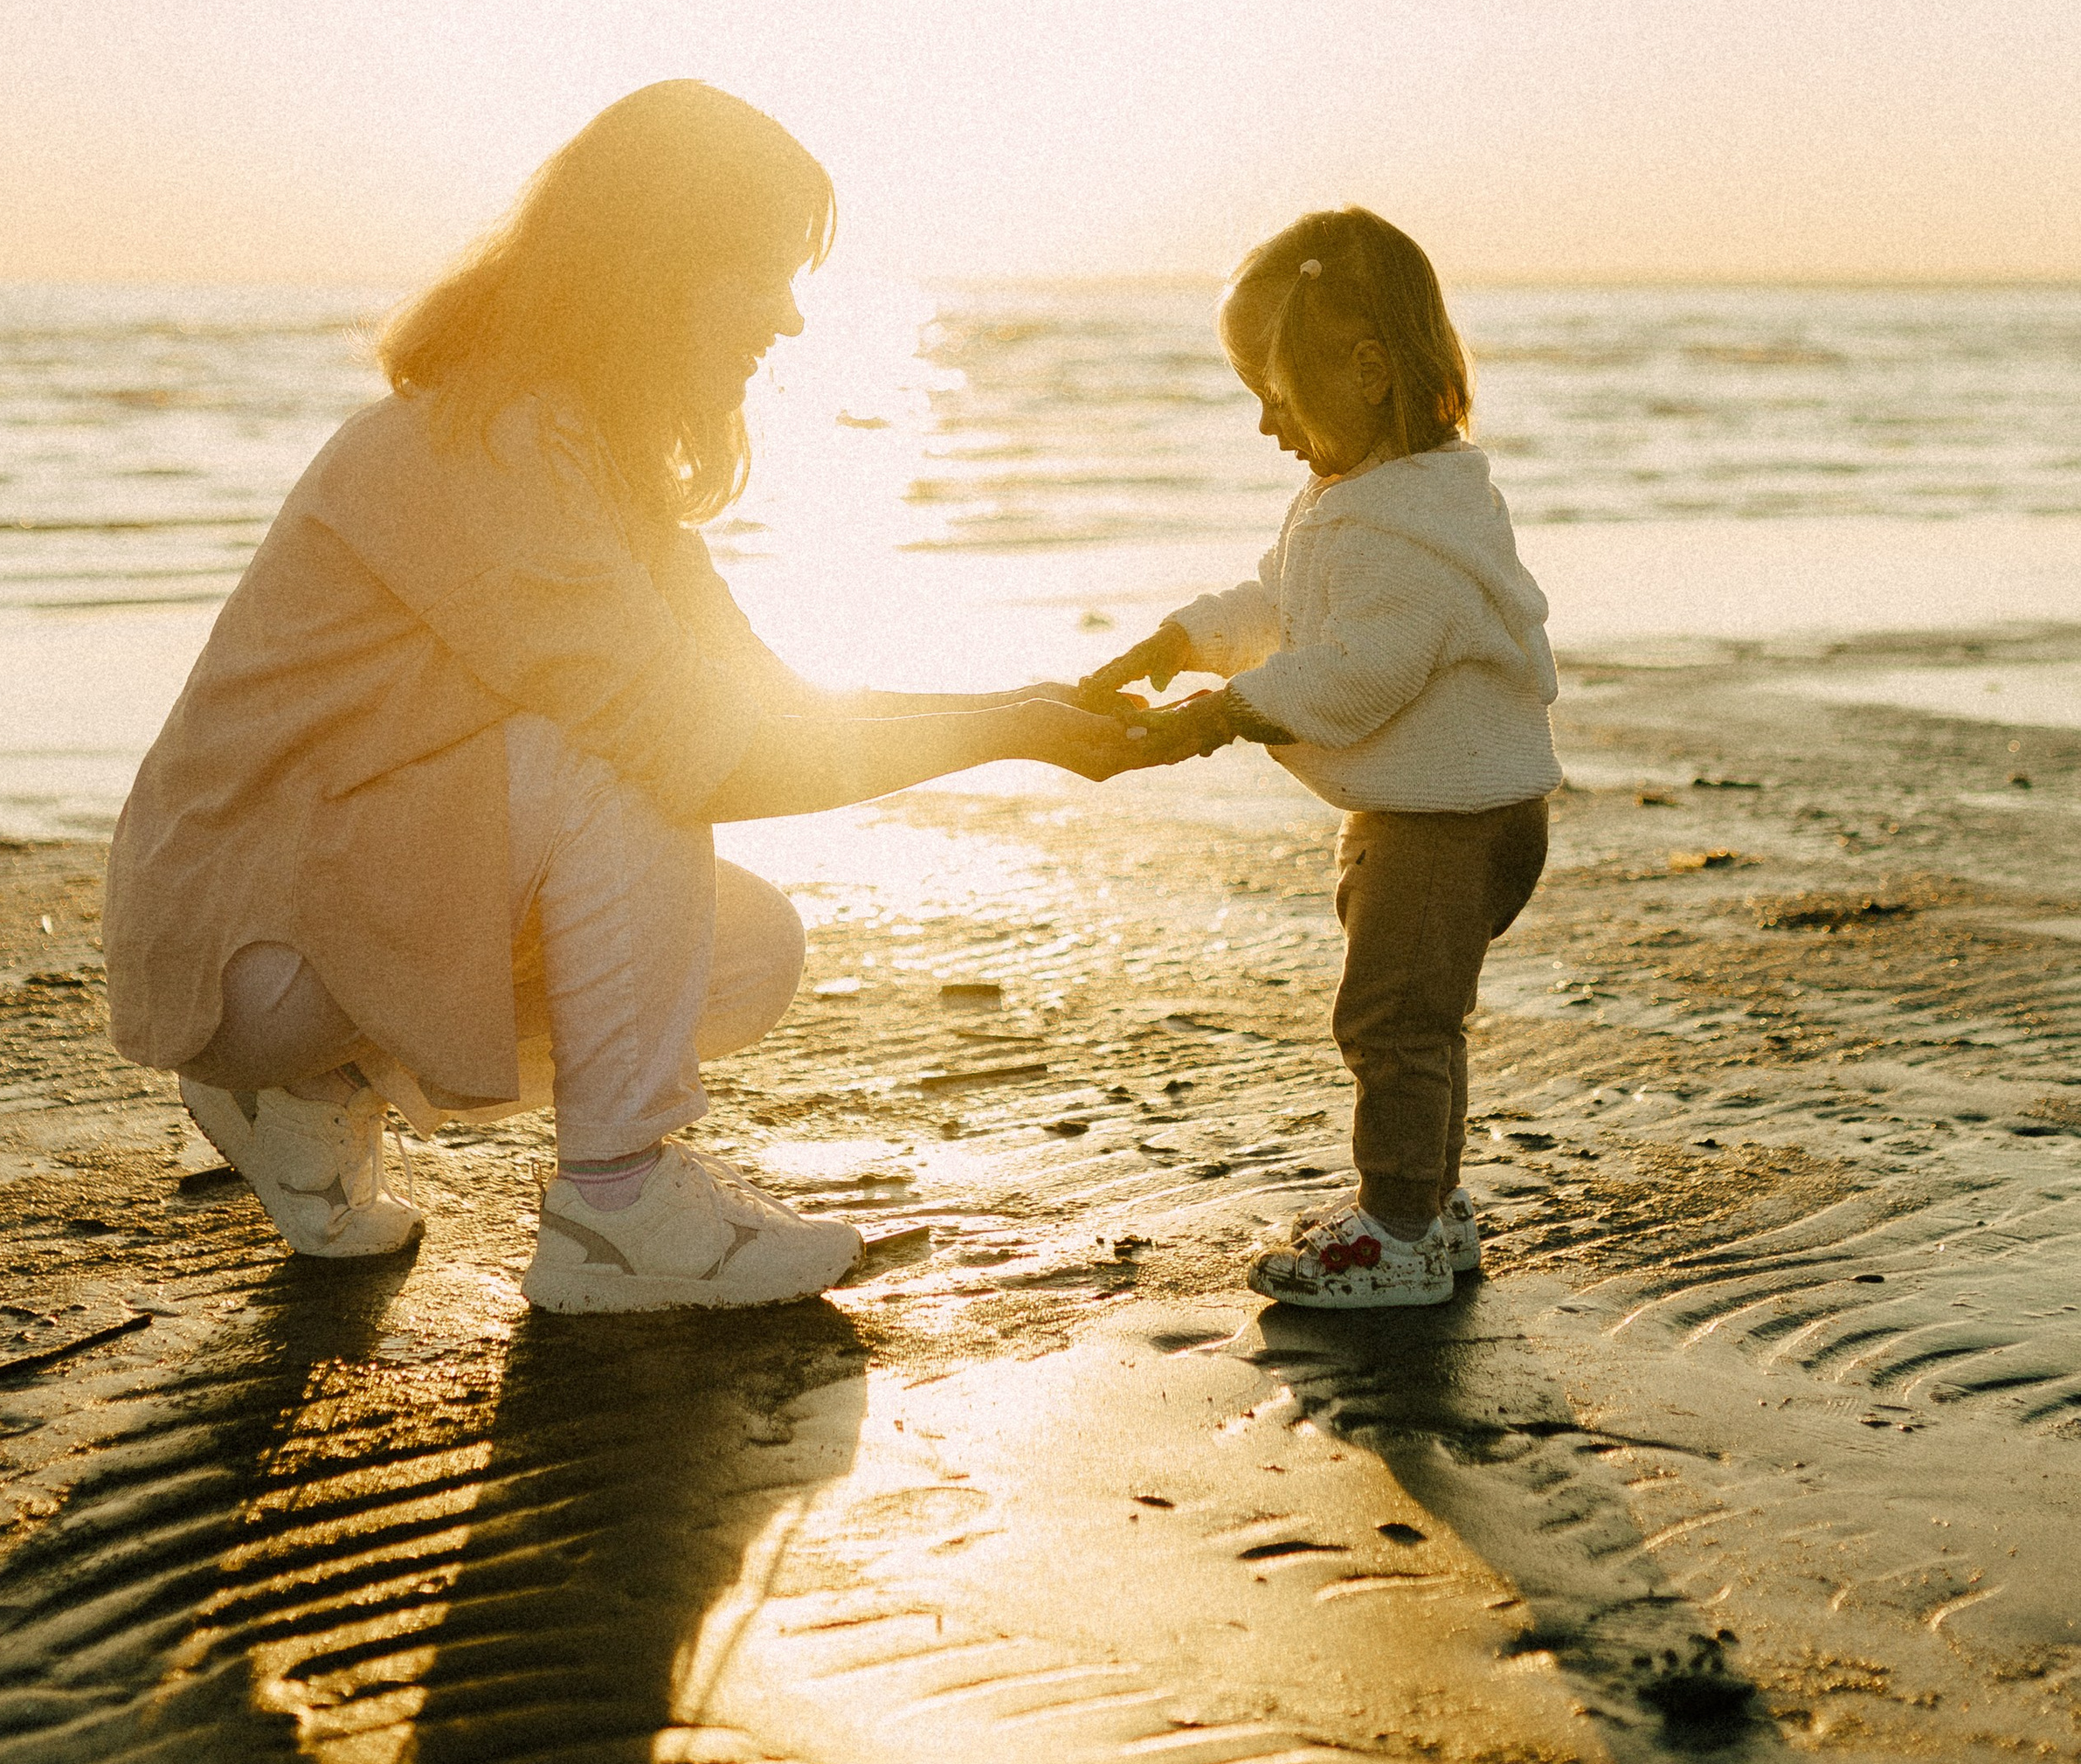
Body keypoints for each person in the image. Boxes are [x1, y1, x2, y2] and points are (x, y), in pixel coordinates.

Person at [103, 82, 1180, 1314]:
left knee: (746, 950)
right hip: (242, 937)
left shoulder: (596, 460)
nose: (785, 317)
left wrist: (1021, 719)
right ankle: (616, 1212)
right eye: (763, 271)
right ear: (655, 269)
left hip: (335, 910)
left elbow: (770, 703)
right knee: (621, 759)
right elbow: (695, 755)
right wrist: (1005, 734)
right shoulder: (492, 442)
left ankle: (301, 1096)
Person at [1080, 205, 1559, 1311]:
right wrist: (1186, 639)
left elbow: (1359, 670)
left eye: (1276, 396)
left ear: (1369, 370)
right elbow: (1285, 602)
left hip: (1445, 824)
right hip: (1437, 809)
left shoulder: (1407, 530)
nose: (1265, 426)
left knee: (1392, 1020)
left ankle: (1395, 1228)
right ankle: (1430, 1211)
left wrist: (1225, 711)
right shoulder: (1373, 498)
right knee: (1419, 1015)